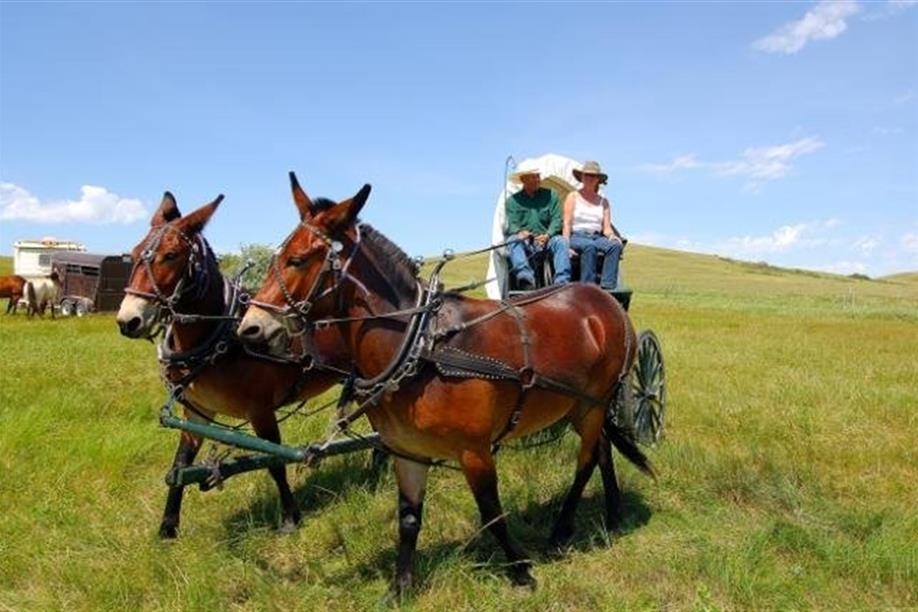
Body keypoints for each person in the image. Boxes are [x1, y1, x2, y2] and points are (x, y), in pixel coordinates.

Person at [504, 161, 571, 289]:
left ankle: (562, 282)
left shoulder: (551, 195)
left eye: (538, 176)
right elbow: (512, 224)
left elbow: (557, 219)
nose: (538, 180)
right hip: (527, 242)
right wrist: (521, 233)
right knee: (513, 240)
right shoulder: (512, 201)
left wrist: (548, 234)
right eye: (533, 177)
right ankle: (526, 278)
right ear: (524, 180)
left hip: (548, 239)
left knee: (561, 241)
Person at [562, 160, 623, 290]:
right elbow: (567, 223)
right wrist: (566, 245)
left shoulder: (604, 202)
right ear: (582, 178)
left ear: (597, 180)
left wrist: (612, 236)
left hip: (597, 237)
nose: (589, 178)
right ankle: (588, 288)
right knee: (590, 246)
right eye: (586, 175)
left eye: (593, 176)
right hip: (577, 236)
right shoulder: (573, 197)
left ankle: (608, 287)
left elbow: (606, 228)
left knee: (615, 246)